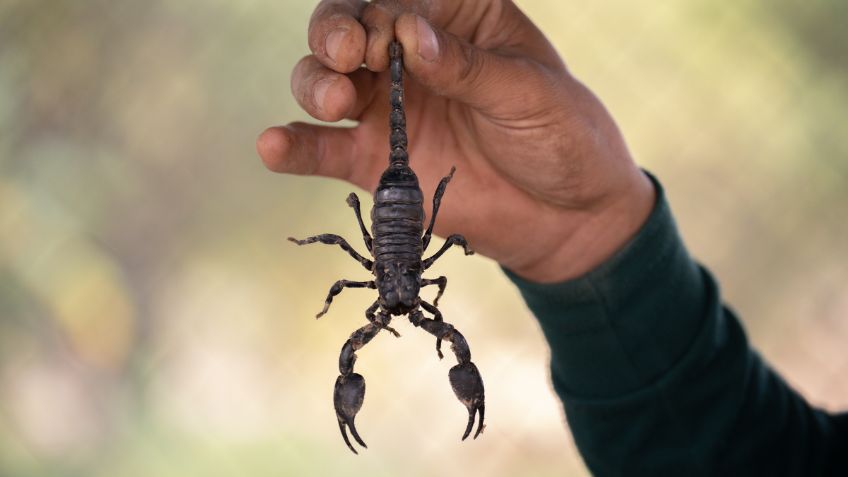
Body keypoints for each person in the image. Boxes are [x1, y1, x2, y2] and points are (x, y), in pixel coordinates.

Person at [255, 1, 848, 474]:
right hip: (406, 215)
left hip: (395, 217)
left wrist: (581, 242)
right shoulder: (422, 288)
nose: (408, 314)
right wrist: (589, 240)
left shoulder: (388, 297)